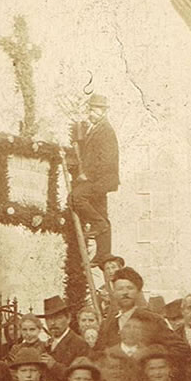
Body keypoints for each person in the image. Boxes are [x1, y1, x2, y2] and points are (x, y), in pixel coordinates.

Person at [70, 93, 120, 261]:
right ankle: (103, 254)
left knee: (76, 198)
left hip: (101, 179)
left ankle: (98, 224)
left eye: (94, 109)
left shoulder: (106, 130)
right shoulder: (96, 128)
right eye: (90, 109)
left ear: (103, 111)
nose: (90, 113)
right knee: (100, 211)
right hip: (100, 179)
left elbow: (106, 160)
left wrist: (88, 174)